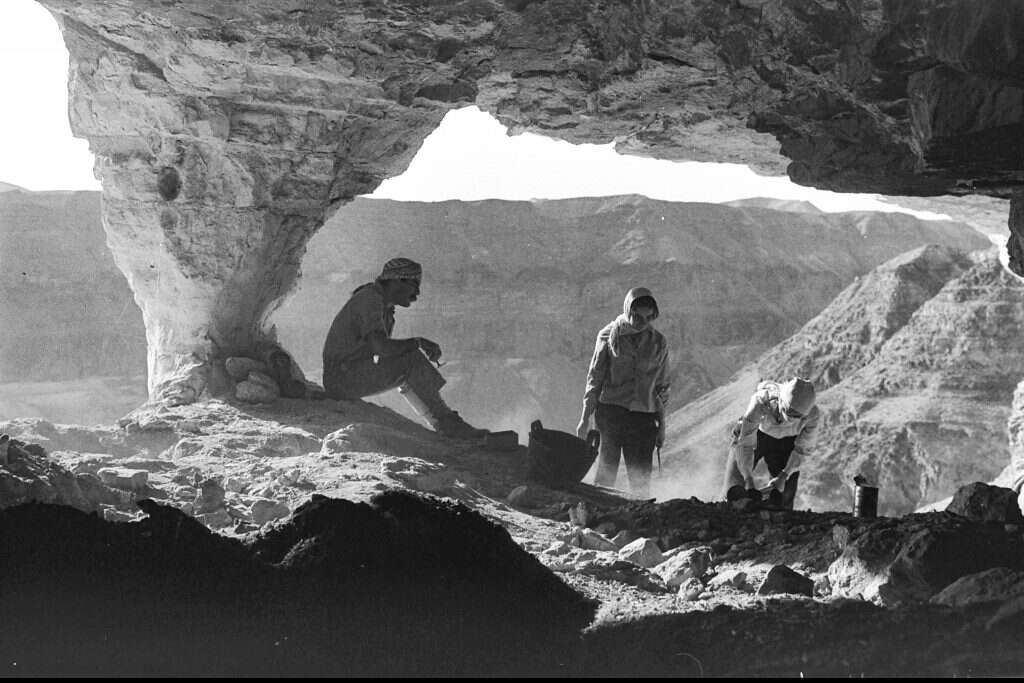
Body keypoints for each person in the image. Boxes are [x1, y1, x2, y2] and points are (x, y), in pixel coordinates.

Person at [322, 257, 488, 440]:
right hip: (343, 379)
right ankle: (446, 423)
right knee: (410, 360)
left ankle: (443, 422)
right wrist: (417, 343)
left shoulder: (381, 305)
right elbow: (381, 348)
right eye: (414, 284)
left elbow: (383, 352)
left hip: (345, 377)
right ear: (396, 281)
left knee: (407, 360)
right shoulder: (370, 299)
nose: (416, 293)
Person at [576, 287, 670, 498]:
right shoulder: (609, 336)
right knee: (606, 471)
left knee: (641, 476)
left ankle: (641, 521)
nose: (641, 322)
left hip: (644, 417)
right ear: (628, 311)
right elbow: (595, 379)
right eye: (637, 316)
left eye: (648, 317)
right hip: (612, 413)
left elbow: (662, 387)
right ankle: (600, 516)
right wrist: (584, 419)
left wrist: (661, 425)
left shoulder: (658, 342)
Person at [722, 377, 819, 510]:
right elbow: (746, 443)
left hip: (787, 442)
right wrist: (749, 480)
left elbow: (803, 449)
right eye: (788, 411)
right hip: (756, 434)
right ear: (781, 401)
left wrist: (784, 475)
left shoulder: (812, 416)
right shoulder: (761, 400)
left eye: (797, 416)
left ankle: (774, 518)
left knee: (782, 496)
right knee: (734, 490)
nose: (791, 418)